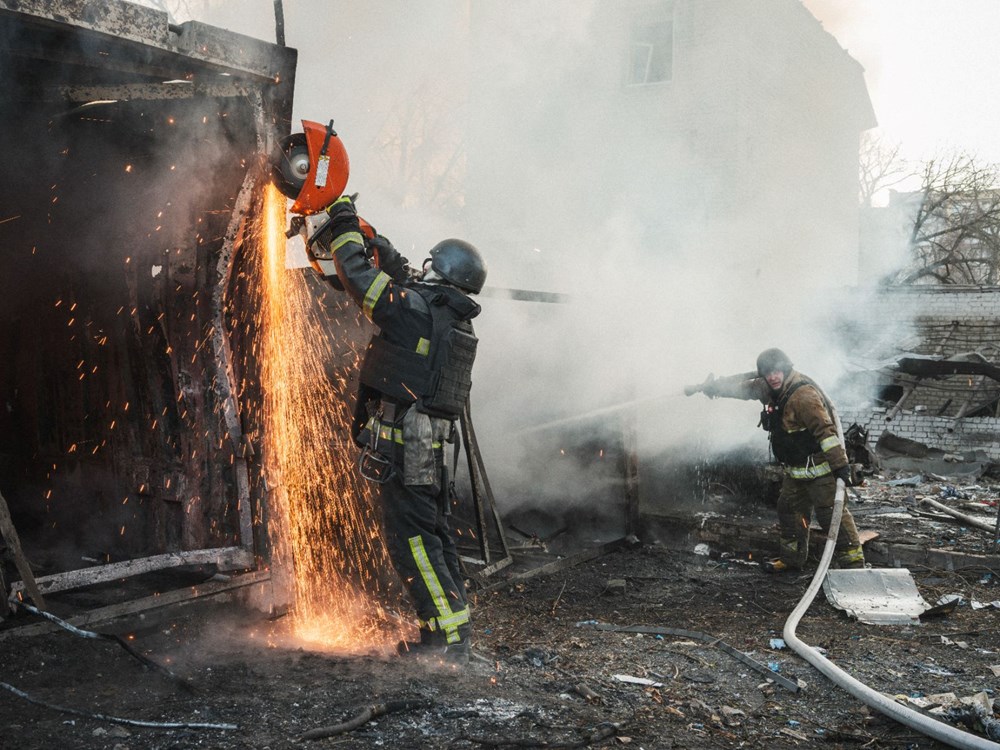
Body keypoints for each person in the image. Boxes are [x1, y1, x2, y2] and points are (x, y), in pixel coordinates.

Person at [311, 195, 486, 663]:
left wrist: (345, 226)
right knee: (432, 536)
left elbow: (364, 283)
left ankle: (448, 642)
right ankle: (447, 632)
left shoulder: (415, 312)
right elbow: (402, 278)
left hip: (409, 452)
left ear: (440, 272)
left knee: (414, 543)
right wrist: (378, 241)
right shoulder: (445, 317)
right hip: (425, 451)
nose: (422, 270)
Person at [685, 348, 865, 573]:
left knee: (832, 516)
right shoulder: (768, 388)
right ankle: (792, 560)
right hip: (796, 471)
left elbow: (826, 432)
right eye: (768, 373)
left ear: (786, 369)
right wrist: (715, 388)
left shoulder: (803, 395)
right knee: (788, 510)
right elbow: (743, 389)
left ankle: (855, 568)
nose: (773, 376)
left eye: (777, 371)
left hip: (821, 471)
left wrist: (840, 466)